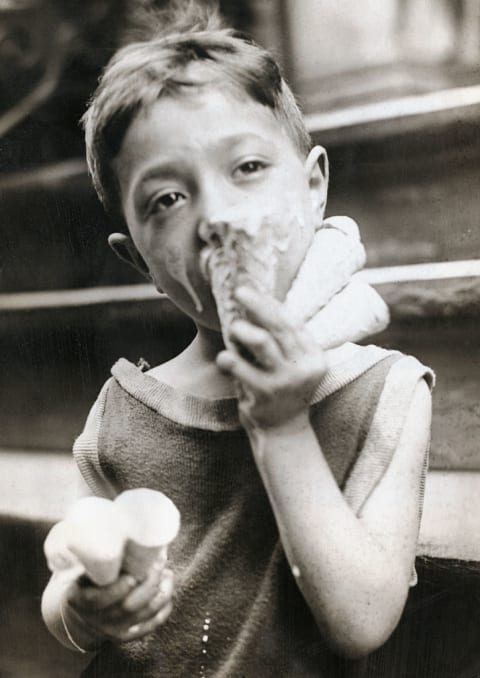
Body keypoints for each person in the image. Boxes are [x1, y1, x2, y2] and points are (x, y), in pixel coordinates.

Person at [41, 2, 434, 676]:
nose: (217, 218)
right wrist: (81, 606)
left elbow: (364, 622)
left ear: (314, 189)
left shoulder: (388, 394)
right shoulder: (123, 410)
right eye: (166, 200)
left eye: (248, 167)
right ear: (138, 260)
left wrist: (281, 427)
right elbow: (70, 571)